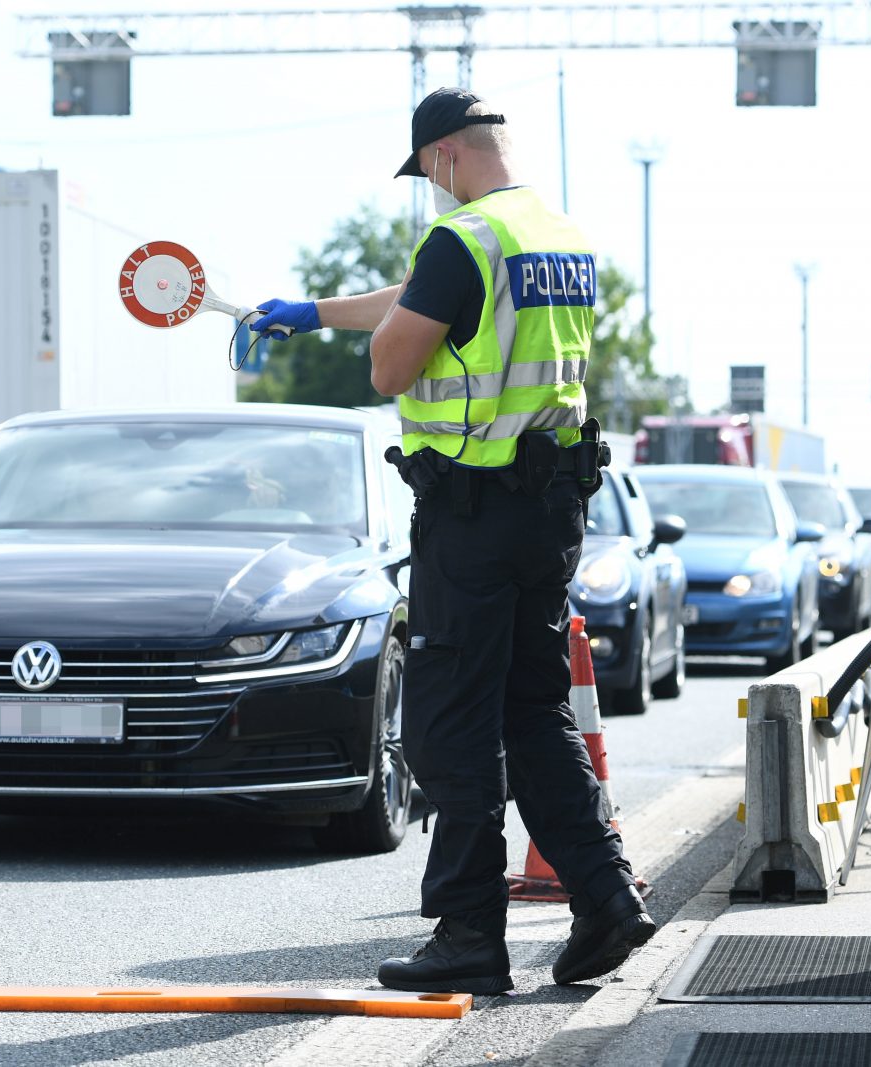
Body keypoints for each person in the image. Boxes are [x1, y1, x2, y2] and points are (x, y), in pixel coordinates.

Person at [248, 87, 653, 994]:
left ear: (441, 158)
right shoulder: (555, 233)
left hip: (472, 514)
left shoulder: (462, 237)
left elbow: (394, 359)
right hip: (549, 512)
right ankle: (606, 896)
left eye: (426, 174)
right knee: (534, 709)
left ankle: (470, 931)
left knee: (447, 727)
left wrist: (362, 338)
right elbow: (426, 301)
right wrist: (312, 310)